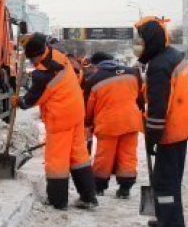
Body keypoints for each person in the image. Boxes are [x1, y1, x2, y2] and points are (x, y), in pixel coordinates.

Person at [133, 16, 188, 227]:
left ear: (151, 40)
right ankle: (167, 218)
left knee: (164, 182)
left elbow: (158, 109)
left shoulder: (159, 66)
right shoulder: (171, 55)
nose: (138, 44)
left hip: (172, 131)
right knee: (171, 178)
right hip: (182, 126)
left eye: (141, 40)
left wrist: (152, 138)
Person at [11, 33, 98, 210]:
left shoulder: (42, 74)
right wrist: (28, 40)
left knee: (57, 159)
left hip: (60, 118)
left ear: (37, 55)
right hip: (76, 112)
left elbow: (31, 99)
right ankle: (89, 197)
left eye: (32, 59)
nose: (32, 63)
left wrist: (18, 102)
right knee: (78, 157)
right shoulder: (57, 55)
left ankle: (58, 201)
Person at [84, 52, 144, 198]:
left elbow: (89, 105)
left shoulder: (94, 79)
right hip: (131, 121)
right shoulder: (132, 73)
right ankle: (125, 188)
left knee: (104, 157)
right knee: (128, 155)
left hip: (108, 123)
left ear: (97, 65)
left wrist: (88, 123)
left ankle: (99, 187)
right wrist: (140, 111)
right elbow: (140, 97)